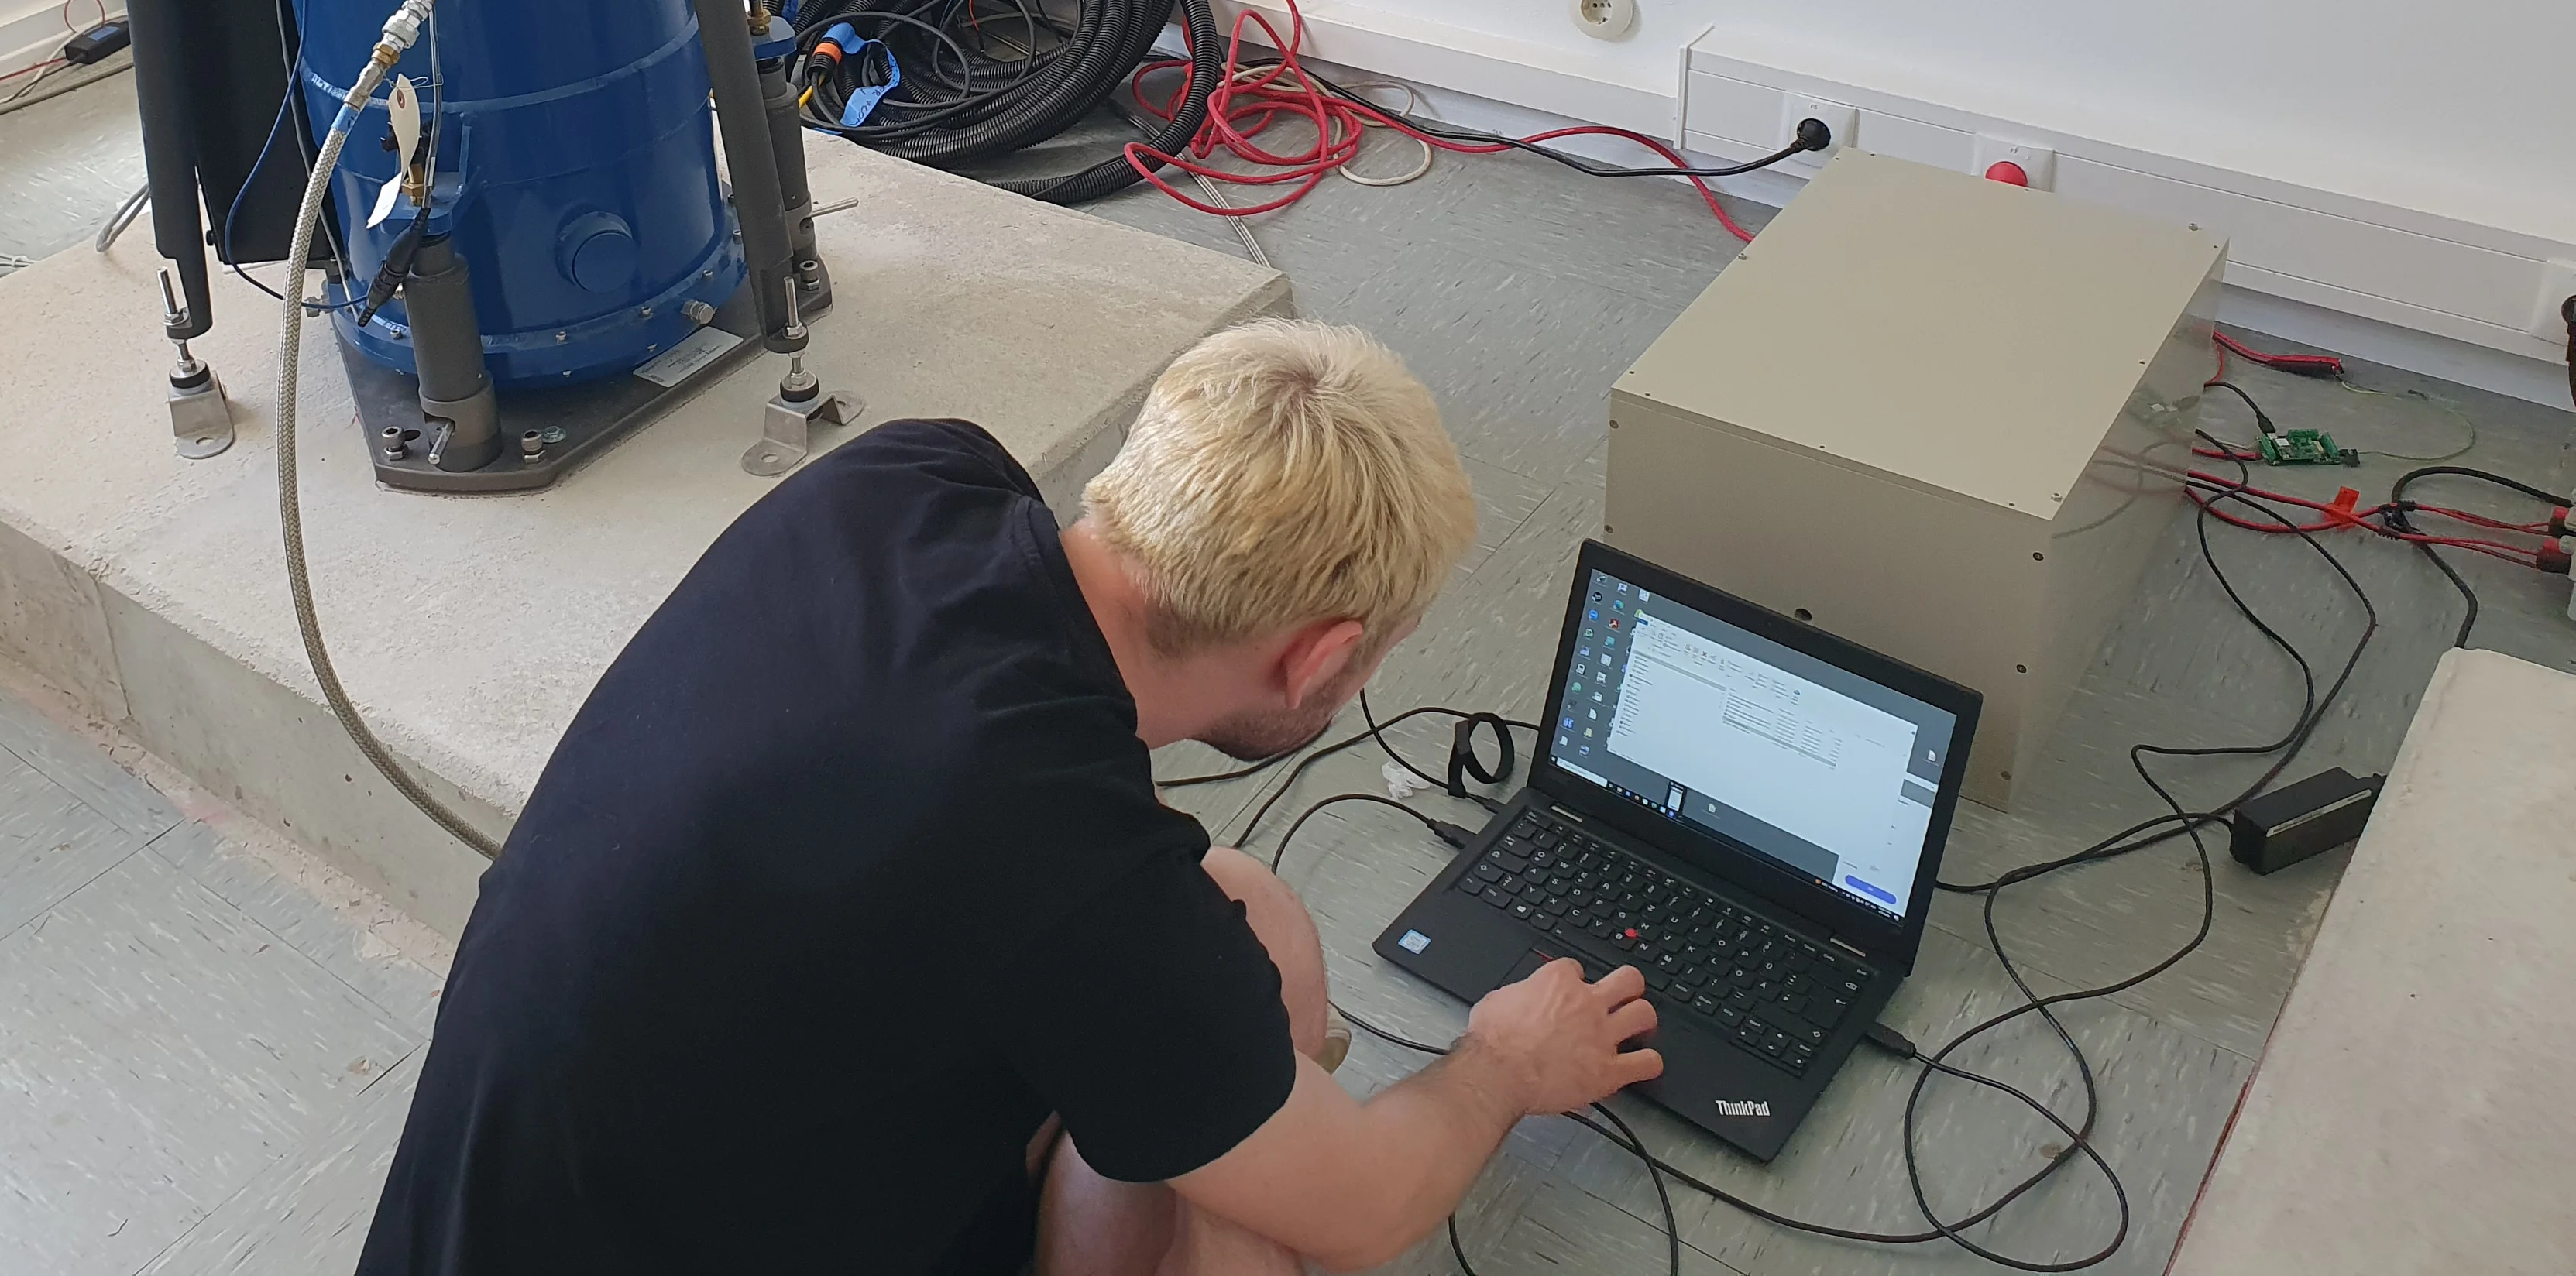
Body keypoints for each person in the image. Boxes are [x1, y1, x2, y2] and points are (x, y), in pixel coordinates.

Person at [357, 318, 1662, 1274]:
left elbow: (1044, 891)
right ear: (1322, 655)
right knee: (1267, 1244)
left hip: (491, 1215)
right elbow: (1377, 1209)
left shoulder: (915, 477)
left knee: (1245, 912)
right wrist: (1501, 1067)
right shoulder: (1056, 864)